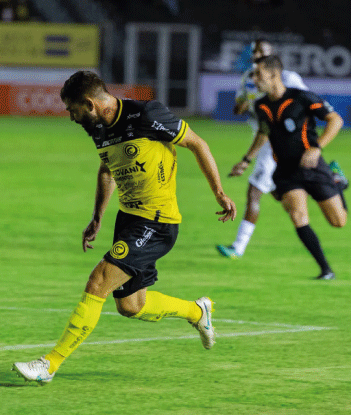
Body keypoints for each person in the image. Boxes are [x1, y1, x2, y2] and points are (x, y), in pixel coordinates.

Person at [12, 71, 237, 384]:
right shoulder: (99, 128)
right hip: (129, 219)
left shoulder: (146, 115)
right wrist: (97, 216)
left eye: (73, 110)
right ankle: (198, 312)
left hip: (157, 221)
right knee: (131, 306)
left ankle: (48, 364)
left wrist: (219, 193)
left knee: (98, 281)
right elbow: (108, 171)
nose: (71, 116)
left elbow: (198, 144)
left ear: (90, 104)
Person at [227, 55, 347, 280]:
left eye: (259, 74)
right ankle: (326, 270)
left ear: (274, 75)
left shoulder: (302, 97)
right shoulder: (261, 105)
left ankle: (337, 182)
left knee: (338, 222)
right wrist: (246, 159)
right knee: (298, 216)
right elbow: (264, 133)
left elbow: (335, 120)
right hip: (286, 171)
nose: (255, 78)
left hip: (312, 166)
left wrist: (317, 147)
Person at [216, 39, 310, 259]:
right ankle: (328, 179)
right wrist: (241, 106)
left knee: (254, 190)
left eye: (261, 50)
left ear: (272, 54)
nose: (257, 53)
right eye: (254, 50)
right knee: (281, 193)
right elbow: (240, 104)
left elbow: (306, 103)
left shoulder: (288, 78)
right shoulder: (249, 77)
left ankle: (237, 248)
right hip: (262, 136)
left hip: (278, 140)